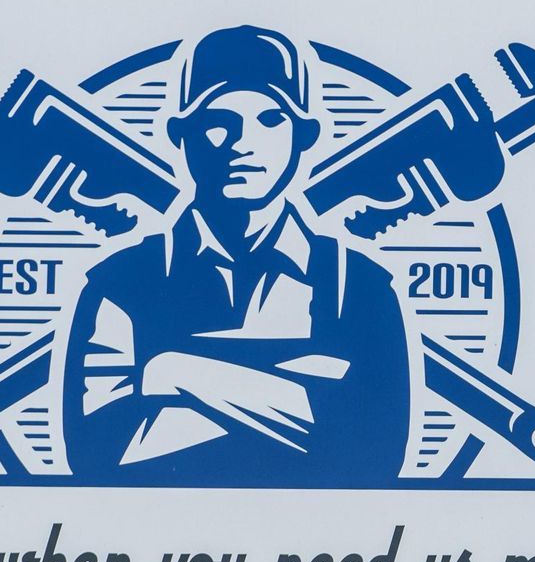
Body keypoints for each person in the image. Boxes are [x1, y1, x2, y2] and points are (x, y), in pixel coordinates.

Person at [61, 25, 409, 484]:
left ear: (304, 137)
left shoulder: (359, 287)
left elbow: (376, 452)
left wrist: (174, 370)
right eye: (218, 121)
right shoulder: (119, 284)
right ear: (180, 135)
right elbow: (97, 456)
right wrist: (301, 396)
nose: (244, 142)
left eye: (270, 119)